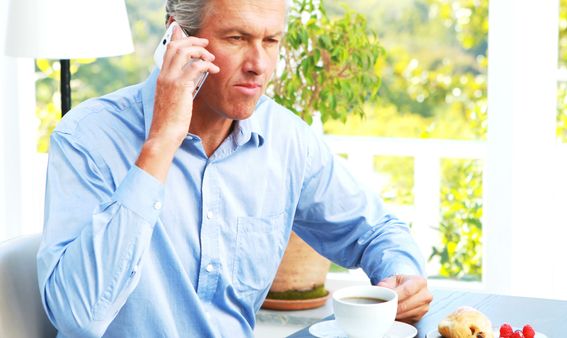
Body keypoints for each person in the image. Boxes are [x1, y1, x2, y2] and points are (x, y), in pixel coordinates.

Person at [37, 0, 433, 337]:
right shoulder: (87, 137)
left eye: (271, 41)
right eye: (237, 39)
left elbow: (376, 231)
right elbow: (78, 315)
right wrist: (159, 145)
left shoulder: (285, 140)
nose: (259, 65)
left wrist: (402, 276)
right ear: (177, 37)